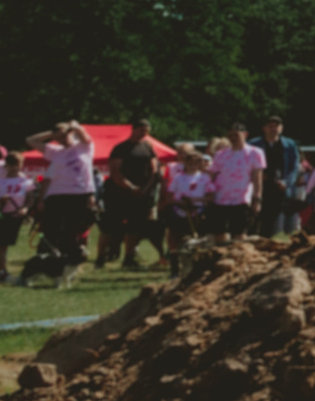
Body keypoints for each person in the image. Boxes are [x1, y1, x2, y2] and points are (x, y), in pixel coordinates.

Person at [20, 123, 99, 286]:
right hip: (57, 196)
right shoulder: (55, 152)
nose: (62, 140)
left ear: (71, 133)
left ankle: (67, 267)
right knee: (51, 232)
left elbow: (83, 134)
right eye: (59, 138)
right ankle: (45, 267)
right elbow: (30, 140)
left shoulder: (84, 147)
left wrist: (73, 127)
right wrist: (52, 133)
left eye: (65, 136)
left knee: (72, 233)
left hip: (80, 194)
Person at [97, 119, 163, 270]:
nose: (144, 134)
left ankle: (129, 257)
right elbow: (115, 171)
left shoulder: (148, 147)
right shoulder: (121, 148)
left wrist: (146, 188)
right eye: (141, 130)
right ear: (134, 130)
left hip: (141, 194)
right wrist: (130, 187)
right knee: (110, 227)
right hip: (119, 193)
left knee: (134, 227)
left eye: (146, 131)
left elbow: (154, 169)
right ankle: (100, 258)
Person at [208, 125, 264, 239]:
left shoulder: (255, 153)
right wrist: (209, 194)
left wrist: (257, 198)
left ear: (245, 135)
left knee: (239, 234)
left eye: (236, 135)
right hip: (221, 199)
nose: (233, 138)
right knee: (220, 233)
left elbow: (257, 178)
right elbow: (212, 175)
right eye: (230, 135)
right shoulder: (220, 154)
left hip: (241, 199)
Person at [250, 115, 301, 237]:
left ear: (281, 128)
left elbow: (294, 167)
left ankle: (266, 242)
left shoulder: (289, 145)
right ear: (264, 128)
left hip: (278, 187)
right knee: (253, 217)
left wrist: (287, 182)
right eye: (270, 126)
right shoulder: (254, 144)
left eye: (276, 126)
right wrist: (255, 176)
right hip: (258, 186)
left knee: (271, 219)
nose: (273, 129)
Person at [163, 146, 213, 258]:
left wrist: (194, 201)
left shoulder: (205, 178)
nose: (193, 165)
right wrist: (180, 203)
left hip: (198, 212)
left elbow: (210, 197)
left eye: (196, 163)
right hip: (179, 211)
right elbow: (169, 196)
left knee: (197, 238)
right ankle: (175, 265)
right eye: (190, 162)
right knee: (177, 238)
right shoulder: (178, 178)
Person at [0, 151, 32, 275]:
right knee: (2, 245)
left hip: (14, 216)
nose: (14, 167)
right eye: (11, 164)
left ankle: (3, 269)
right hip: (3, 215)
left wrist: (26, 208)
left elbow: (30, 198)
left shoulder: (25, 181)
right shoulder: (1, 181)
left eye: (17, 164)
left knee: (4, 245)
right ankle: (3, 270)